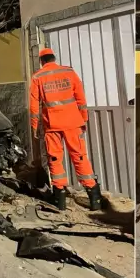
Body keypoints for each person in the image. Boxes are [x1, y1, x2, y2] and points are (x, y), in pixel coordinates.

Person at [29, 47, 101, 211]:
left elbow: (34, 106)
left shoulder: (38, 77)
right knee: (80, 157)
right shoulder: (69, 72)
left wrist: (34, 127)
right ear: (54, 58)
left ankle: (60, 198)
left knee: (55, 159)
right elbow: (80, 97)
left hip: (52, 125)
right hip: (73, 123)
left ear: (42, 62)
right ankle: (94, 196)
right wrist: (83, 118)